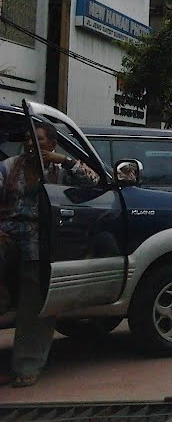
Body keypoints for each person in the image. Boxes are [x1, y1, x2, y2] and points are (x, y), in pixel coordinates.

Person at [1, 121, 99, 388]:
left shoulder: (60, 170)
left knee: (34, 309)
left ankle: (27, 366)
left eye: (39, 139)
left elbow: (94, 182)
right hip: (6, 242)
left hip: (40, 245)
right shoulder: (9, 167)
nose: (31, 144)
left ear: (52, 145)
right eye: (28, 139)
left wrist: (65, 160)